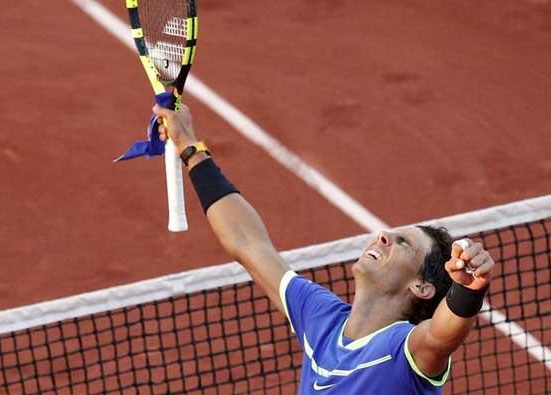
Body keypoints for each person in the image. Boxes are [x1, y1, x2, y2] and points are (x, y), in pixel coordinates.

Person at [153, 103, 495, 394]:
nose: (382, 237)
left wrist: (467, 290)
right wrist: (189, 146)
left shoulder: (403, 350)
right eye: (388, 234)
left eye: (402, 242)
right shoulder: (322, 319)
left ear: (421, 287)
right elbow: (248, 243)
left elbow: (441, 336)